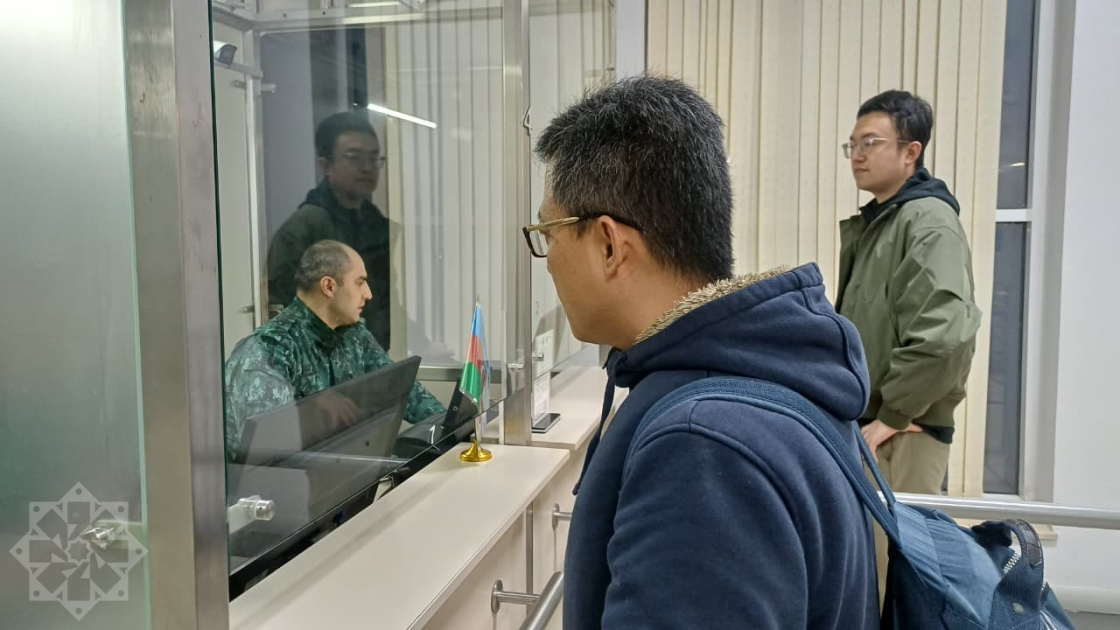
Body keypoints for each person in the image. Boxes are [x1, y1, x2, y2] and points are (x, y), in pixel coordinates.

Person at [530, 76, 876, 628]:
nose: (547, 259)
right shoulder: (773, 368)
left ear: (609, 244)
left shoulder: (702, 449)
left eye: (549, 233)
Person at [836, 89, 981, 597]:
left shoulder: (928, 222)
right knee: (868, 576)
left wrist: (894, 415)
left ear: (910, 151)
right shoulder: (884, 221)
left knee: (893, 582)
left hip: (902, 432)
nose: (857, 155)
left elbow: (946, 335)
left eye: (870, 142)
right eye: (852, 144)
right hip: (878, 424)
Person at [225, 240, 444, 458]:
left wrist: (446, 427)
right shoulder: (271, 348)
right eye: (359, 283)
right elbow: (269, 447)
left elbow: (396, 385)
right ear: (329, 286)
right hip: (286, 476)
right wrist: (315, 408)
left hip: (341, 469)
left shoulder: (353, 334)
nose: (368, 294)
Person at [267, 112, 395, 349]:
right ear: (325, 164)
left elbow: (387, 301)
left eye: (374, 158)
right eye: (354, 157)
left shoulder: (376, 224)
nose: (367, 168)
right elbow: (283, 312)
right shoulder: (302, 230)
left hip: (372, 355)